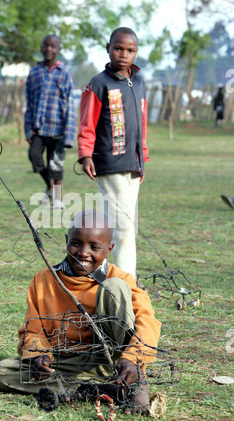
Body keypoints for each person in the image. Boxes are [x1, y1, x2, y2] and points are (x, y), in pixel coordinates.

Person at [0, 210, 161, 415]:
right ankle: (92, 390)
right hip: (62, 363)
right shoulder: (44, 279)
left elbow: (146, 321)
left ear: (109, 249)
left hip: (109, 362)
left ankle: (129, 377)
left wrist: (132, 358)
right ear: (66, 241)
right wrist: (38, 355)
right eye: (76, 243)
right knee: (1, 372)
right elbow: (33, 329)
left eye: (94, 247)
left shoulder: (121, 278)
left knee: (114, 287)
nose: (83, 252)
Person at [77, 27, 149, 279]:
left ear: (136, 52)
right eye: (118, 48)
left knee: (124, 226)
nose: (124, 54)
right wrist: (86, 154)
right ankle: (127, 283)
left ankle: (101, 272)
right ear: (108, 48)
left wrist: (143, 156)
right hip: (109, 163)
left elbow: (142, 121)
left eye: (130, 50)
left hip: (133, 163)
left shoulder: (139, 81)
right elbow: (87, 123)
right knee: (124, 227)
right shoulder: (98, 84)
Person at [24, 35, 76, 209]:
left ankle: (58, 198)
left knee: (56, 164)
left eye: (53, 46)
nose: (49, 49)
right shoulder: (34, 73)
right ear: (41, 48)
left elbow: (69, 104)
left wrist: (68, 135)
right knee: (35, 157)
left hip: (58, 128)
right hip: (39, 128)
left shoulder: (65, 74)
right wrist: (28, 128)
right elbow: (29, 103)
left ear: (58, 50)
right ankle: (49, 187)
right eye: (45, 45)